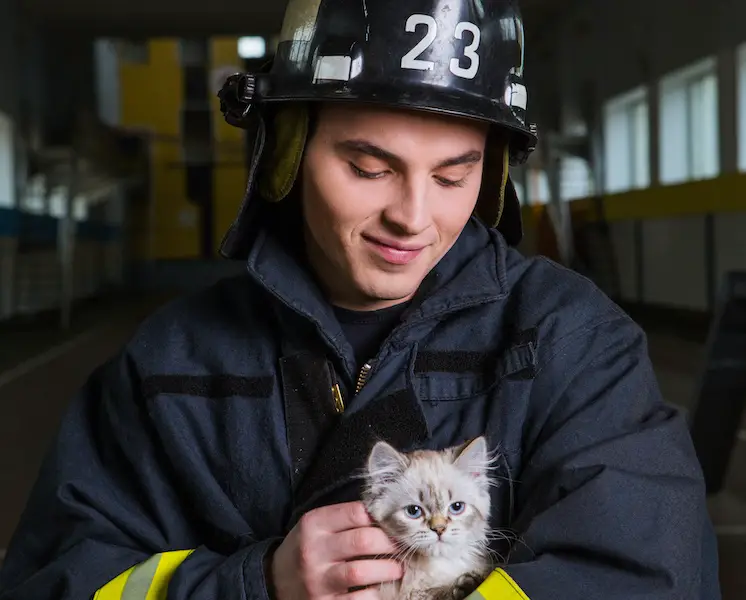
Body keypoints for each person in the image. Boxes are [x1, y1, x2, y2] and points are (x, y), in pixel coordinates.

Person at [0, 0, 721, 599]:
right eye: (369, 167)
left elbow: (651, 569)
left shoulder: (575, 341)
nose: (413, 216)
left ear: (493, 172)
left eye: (452, 174)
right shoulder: (167, 362)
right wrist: (255, 583)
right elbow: (55, 576)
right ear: (284, 152)